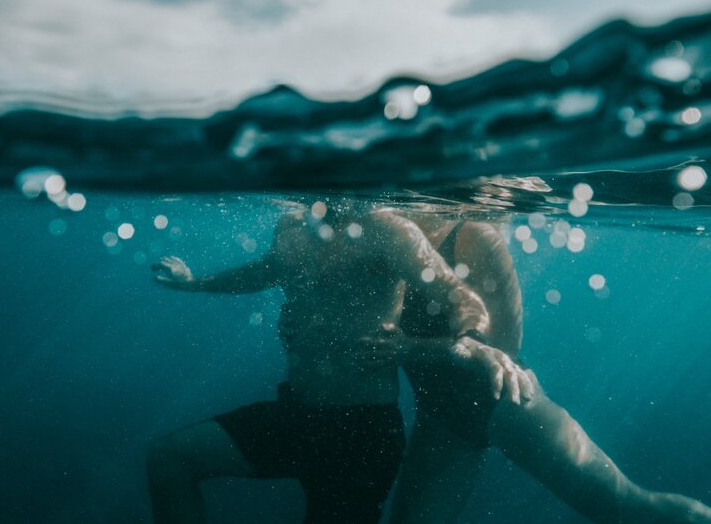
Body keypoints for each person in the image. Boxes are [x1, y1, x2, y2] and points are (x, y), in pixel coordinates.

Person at [146, 200, 528, 524]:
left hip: (361, 435)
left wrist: (473, 341)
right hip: (296, 413)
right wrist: (192, 282)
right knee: (169, 458)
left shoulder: (386, 229)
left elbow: (462, 298)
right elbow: (264, 271)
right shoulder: (291, 225)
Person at [379, 215, 711, 524]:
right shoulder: (392, 232)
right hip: (439, 416)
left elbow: (505, 349)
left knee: (628, 508)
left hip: (506, 403)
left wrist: (414, 350)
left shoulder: (474, 236)